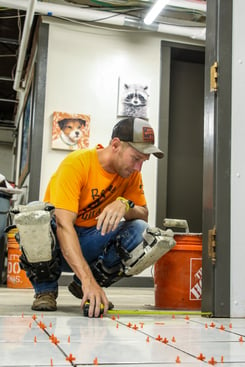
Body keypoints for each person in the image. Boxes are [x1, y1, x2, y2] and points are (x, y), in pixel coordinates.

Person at [14, 117, 175, 317]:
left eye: (144, 161)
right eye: (136, 158)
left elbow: (143, 213)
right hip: (57, 243)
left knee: (140, 229)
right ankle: (45, 290)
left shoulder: (132, 174)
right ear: (115, 145)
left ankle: (83, 286)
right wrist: (89, 278)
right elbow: (64, 226)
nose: (138, 168)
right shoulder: (77, 164)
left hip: (91, 241)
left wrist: (125, 205)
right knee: (33, 215)